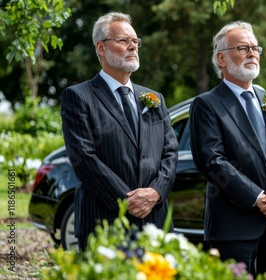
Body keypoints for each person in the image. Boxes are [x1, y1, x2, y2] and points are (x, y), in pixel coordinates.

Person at [189, 21, 266, 279]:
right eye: (243, 48)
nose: (252, 53)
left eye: (255, 47)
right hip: (233, 225)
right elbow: (212, 161)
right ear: (221, 58)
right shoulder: (206, 104)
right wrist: (258, 198)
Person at [60, 12, 178, 251]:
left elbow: (170, 152)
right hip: (104, 221)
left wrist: (155, 192)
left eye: (135, 41)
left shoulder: (154, 98)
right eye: (124, 40)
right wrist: (127, 200)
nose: (133, 46)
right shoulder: (78, 97)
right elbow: (84, 157)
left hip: (155, 222)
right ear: (101, 48)